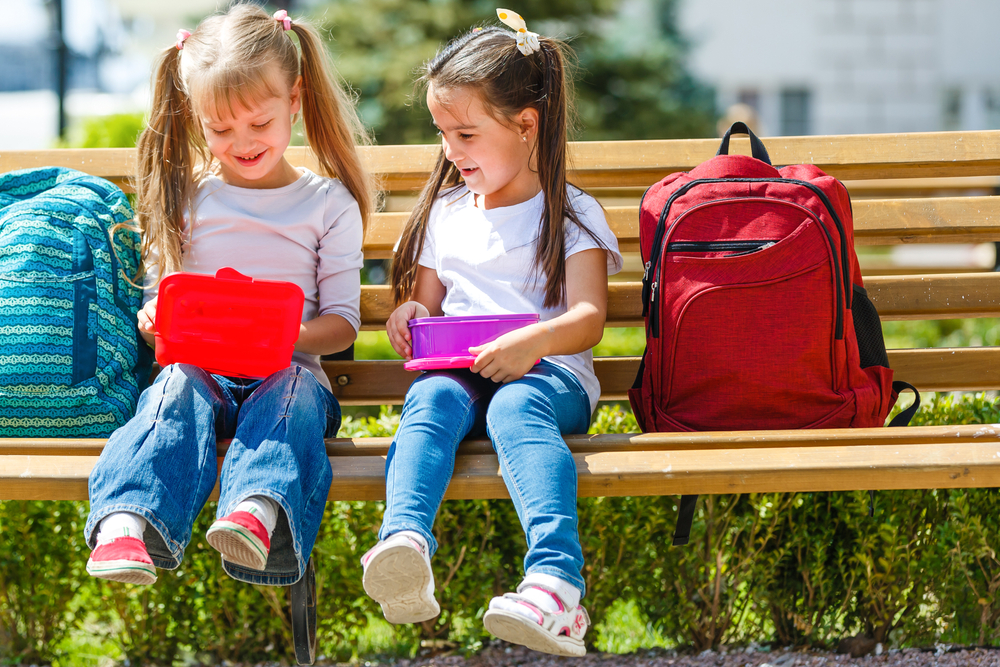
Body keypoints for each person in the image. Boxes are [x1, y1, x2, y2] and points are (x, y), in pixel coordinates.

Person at [83, 4, 372, 588]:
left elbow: (342, 323)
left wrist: (287, 334)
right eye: (219, 130)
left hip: (288, 374)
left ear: (294, 98)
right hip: (202, 372)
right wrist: (153, 315)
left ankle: (256, 514)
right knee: (170, 390)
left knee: (290, 391)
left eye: (259, 124)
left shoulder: (327, 204)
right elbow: (162, 296)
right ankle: (124, 522)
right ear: (196, 119)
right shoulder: (188, 197)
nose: (241, 142)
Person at [362, 10, 622, 657]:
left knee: (515, 401)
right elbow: (424, 305)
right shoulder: (447, 214)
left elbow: (590, 316)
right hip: (461, 373)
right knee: (429, 399)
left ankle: (558, 584)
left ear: (525, 124)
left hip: (549, 377)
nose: (451, 150)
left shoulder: (570, 214)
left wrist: (533, 341)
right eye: (443, 133)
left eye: (466, 133)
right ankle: (405, 544)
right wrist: (408, 316)